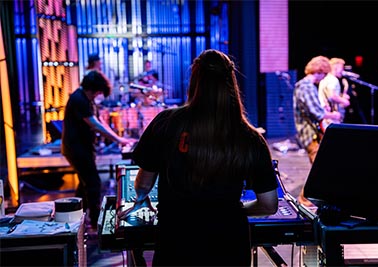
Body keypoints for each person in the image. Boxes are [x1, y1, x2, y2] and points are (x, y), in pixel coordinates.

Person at [128, 49, 279, 266]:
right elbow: (269, 204)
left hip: (176, 242)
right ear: (231, 83)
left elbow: (143, 184)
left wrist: (141, 196)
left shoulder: (165, 122)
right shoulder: (250, 138)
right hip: (229, 245)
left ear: (194, 81)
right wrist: (234, 210)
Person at [61, 70, 135, 230]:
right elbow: (94, 124)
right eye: (99, 92)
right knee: (93, 182)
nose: (99, 95)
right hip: (76, 148)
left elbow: (99, 120)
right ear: (93, 89)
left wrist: (118, 138)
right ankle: (95, 223)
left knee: (85, 184)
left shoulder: (87, 100)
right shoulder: (79, 99)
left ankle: (77, 219)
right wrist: (118, 139)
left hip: (83, 147)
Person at [293, 55, 341, 206]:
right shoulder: (306, 86)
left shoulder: (306, 86)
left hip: (312, 132)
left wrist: (324, 108)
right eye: (324, 74)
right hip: (309, 133)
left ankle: (306, 200)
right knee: (320, 169)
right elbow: (317, 113)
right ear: (320, 71)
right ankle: (305, 200)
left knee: (319, 168)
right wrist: (333, 114)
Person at [318, 57, 350, 130]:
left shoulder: (325, 79)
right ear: (336, 67)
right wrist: (344, 101)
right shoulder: (333, 80)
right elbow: (331, 96)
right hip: (332, 117)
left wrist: (341, 96)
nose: (342, 71)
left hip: (325, 116)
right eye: (341, 68)